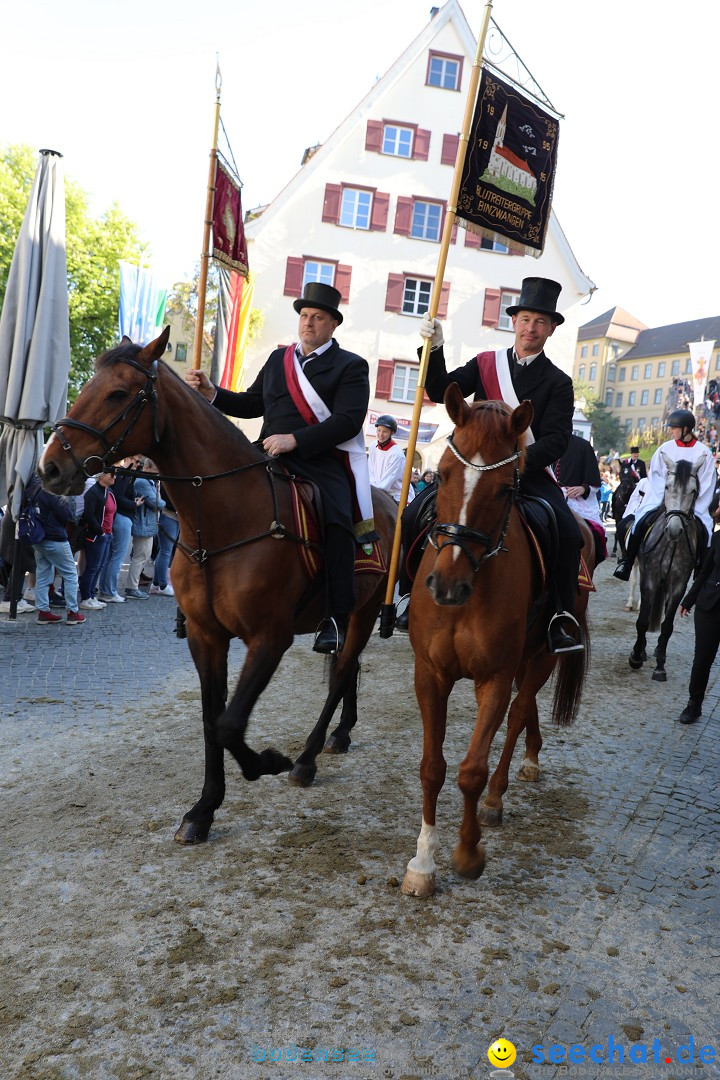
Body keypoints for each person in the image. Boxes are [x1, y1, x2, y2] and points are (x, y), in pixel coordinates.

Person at [184, 281, 374, 655]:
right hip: (266, 456)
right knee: (207, 495)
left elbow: (348, 421)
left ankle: (335, 616)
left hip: (319, 462)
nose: (308, 323)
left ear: (333, 324)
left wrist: (296, 440)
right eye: (304, 316)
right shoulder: (278, 360)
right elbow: (252, 404)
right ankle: (196, 593)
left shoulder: (351, 366)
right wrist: (213, 393)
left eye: (317, 317)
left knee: (337, 520)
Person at [420, 276, 583, 653]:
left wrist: (515, 464)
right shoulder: (485, 363)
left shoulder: (558, 382)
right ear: (514, 322)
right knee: (417, 511)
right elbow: (439, 389)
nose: (532, 328)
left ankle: (559, 616)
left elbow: (557, 440)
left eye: (541, 322)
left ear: (551, 329)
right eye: (526, 319)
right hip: (473, 471)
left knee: (567, 532)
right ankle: (406, 594)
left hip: (525, 472)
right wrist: (434, 349)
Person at [614, 410, 716, 581]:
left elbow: (707, 483)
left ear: (685, 429)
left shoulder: (704, 453)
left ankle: (700, 570)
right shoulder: (664, 449)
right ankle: (627, 561)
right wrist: (667, 499)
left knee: (707, 532)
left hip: (692, 504)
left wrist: (690, 503)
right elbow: (655, 475)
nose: (670, 431)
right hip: (663, 499)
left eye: (674, 428)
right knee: (637, 522)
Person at [25, 474, 85, 627]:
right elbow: (67, 514)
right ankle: (73, 612)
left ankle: (43, 611)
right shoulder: (52, 493)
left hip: (39, 537)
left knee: (44, 574)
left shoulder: (35, 490)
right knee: (71, 574)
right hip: (55, 537)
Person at [677, 508, 720, 723]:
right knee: (702, 659)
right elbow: (705, 571)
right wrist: (688, 599)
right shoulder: (719, 536)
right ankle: (694, 705)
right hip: (710, 605)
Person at [125, 459, 165, 599]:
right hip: (143, 524)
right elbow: (156, 503)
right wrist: (164, 502)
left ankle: (133, 586)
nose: (157, 474)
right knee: (140, 556)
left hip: (147, 523)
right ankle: (132, 588)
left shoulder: (149, 481)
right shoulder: (142, 482)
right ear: (147, 467)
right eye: (155, 471)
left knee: (144, 556)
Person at [78, 471, 116, 610]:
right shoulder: (93, 493)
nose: (114, 477)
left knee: (99, 567)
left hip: (107, 535)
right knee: (92, 567)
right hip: (96, 536)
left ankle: (92, 596)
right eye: (111, 474)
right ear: (101, 476)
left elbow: (112, 512)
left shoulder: (108, 491)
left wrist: (108, 532)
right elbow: (88, 514)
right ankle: (86, 598)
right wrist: (100, 532)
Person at [367, 414, 411, 505]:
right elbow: (370, 470)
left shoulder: (397, 454)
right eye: (379, 430)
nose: (380, 434)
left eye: (385, 432)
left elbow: (388, 479)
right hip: (377, 490)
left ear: (392, 433)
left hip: (397, 495)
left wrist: (374, 492)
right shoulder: (372, 446)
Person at [149, 483, 179, 596]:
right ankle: (163, 585)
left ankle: (156, 584)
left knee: (165, 551)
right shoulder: (167, 481)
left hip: (172, 517)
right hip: (169, 516)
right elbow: (167, 500)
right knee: (166, 552)